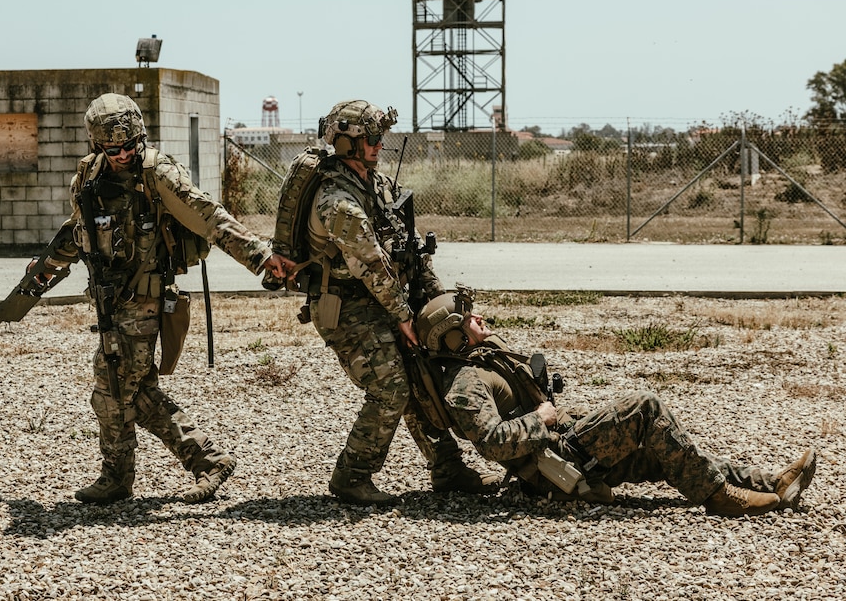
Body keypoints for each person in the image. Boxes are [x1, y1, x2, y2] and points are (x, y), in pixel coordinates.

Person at [31, 93, 293, 505]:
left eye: (130, 145)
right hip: (109, 300)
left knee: (112, 386)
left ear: (140, 136)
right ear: (97, 144)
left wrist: (261, 257)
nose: (123, 154)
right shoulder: (88, 176)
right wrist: (46, 266)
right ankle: (201, 460)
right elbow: (77, 229)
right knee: (132, 389)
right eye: (112, 148)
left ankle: (127, 476)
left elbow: (210, 218)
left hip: (147, 299)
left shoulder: (159, 174)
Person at [411, 290, 818, 517]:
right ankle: (719, 498)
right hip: (557, 461)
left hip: (567, 442)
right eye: (466, 318)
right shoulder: (463, 384)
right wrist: (540, 417)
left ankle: (773, 485)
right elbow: (492, 442)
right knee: (645, 407)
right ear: (451, 337)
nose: (477, 317)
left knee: (672, 450)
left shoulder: (482, 358)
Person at [293, 99, 498, 505]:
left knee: (420, 371)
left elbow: (412, 253)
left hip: (385, 299)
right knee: (391, 386)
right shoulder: (336, 200)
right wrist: (406, 319)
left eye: (379, 137)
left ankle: (446, 468)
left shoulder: (378, 185)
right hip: (346, 306)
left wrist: (442, 306)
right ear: (346, 143)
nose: (378, 144)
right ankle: (352, 475)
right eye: (370, 138)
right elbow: (371, 264)